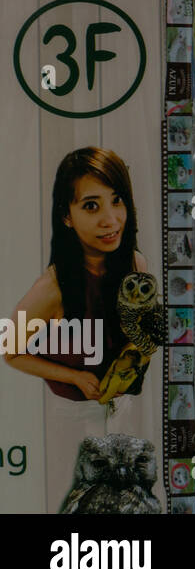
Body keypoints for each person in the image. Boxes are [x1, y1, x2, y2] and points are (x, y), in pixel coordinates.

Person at [3, 147, 152, 508]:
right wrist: (73, 377)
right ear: (66, 217)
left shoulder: (135, 265)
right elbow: (9, 349)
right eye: (91, 205)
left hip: (127, 420)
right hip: (71, 426)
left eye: (117, 201)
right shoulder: (53, 288)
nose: (110, 219)